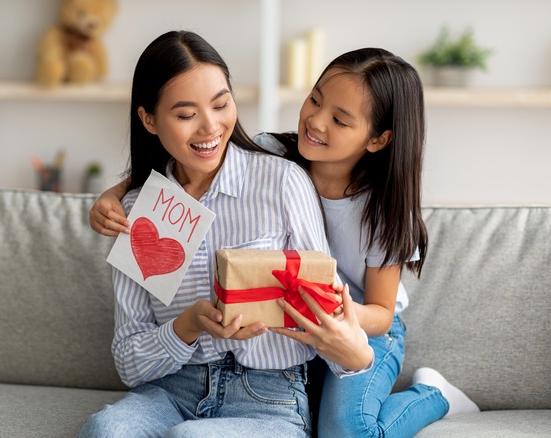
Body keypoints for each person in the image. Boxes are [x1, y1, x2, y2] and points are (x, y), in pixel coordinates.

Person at [88, 47, 480, 437]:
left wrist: (320, 311)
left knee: (348, 431)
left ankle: (432, 395)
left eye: (340, 120)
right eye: (314, 100)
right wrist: (118, 195)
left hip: (361, 321)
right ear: (149, 119)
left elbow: (375, 310)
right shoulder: (274, 151)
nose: (317, 121)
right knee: (106, 430)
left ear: (378, 140)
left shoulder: (368, 203)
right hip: (203, 372)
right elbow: (181, 162)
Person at [78, 30, 373, 438]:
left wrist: (354, 353)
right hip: (168, 391)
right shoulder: (137, 213)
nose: (210, 127)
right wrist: (187, 325)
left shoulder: (282, 182)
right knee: (105, 430)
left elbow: (329, 313)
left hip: (267, 396)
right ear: (148, 119)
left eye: (221, 104)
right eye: (185, 115)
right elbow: (129, 363)